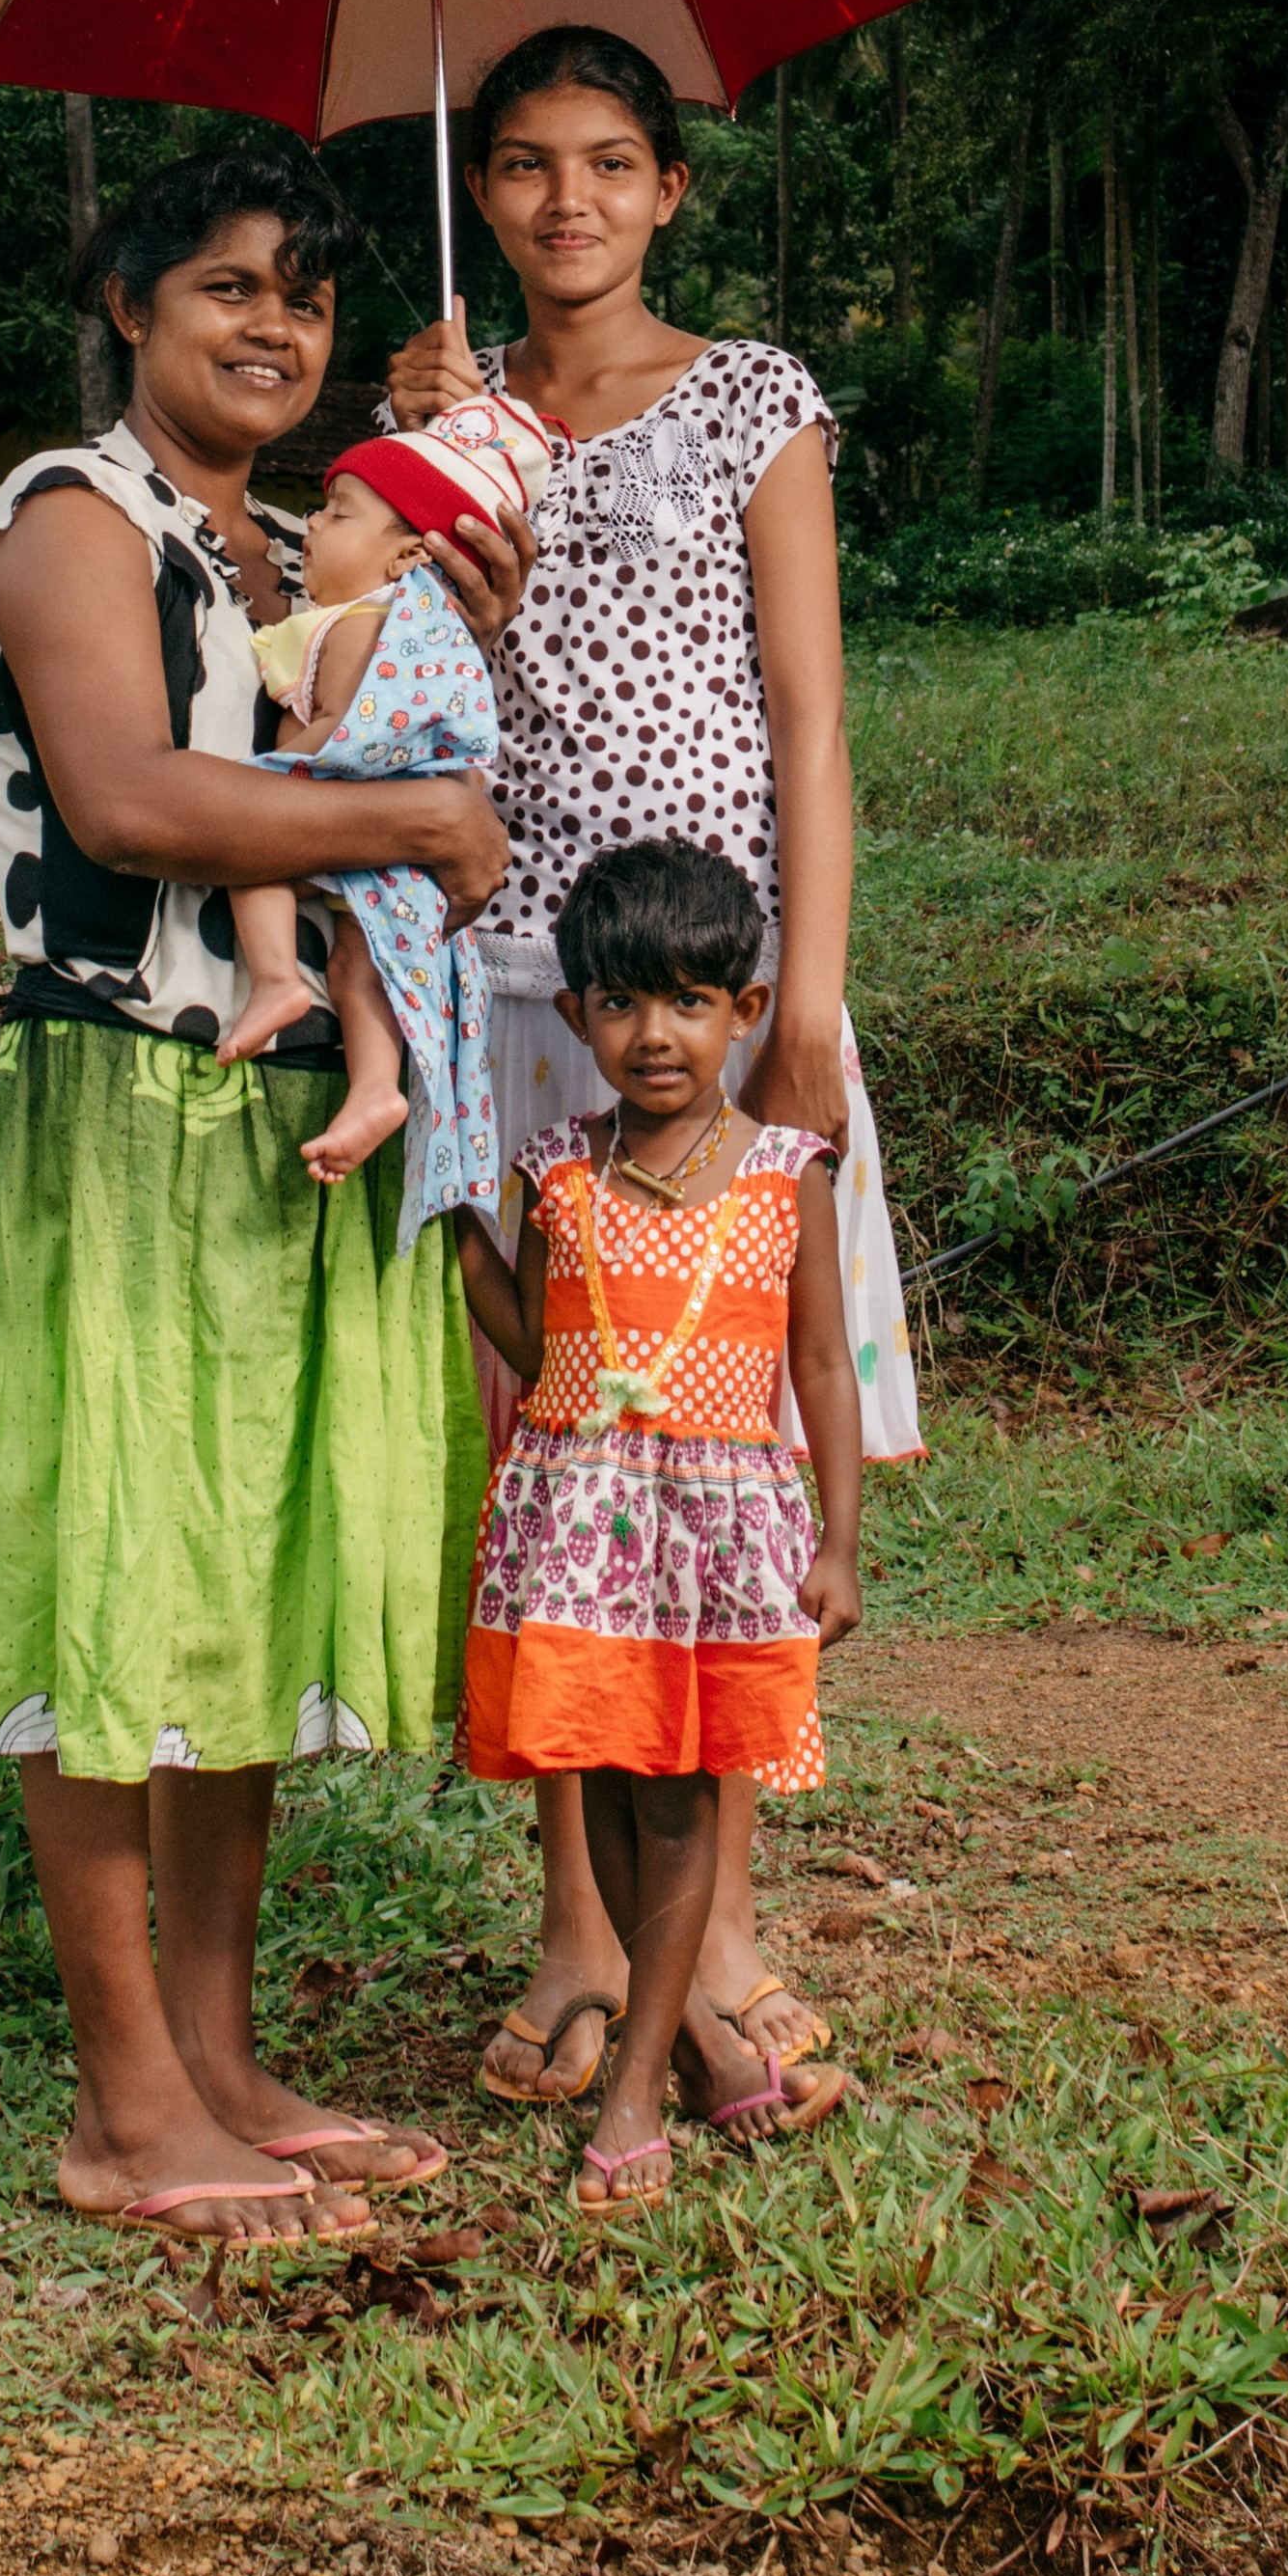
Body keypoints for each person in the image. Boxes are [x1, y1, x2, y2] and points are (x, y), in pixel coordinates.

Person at [0, 140, 531, 2251]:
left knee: (233, 1578)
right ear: (129, 306)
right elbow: (129, 795)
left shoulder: (285, 549)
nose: (269, 324)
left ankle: (217, 2055)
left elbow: (434, 772)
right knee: (118, 1562)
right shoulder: (67, 519)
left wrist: (453, 631)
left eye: (300, 294)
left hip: (286, 1105)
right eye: (223, 288)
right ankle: (121, 2107)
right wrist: (414, 803)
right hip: (127, 1089)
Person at [382, 22, 912, 2104]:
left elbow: (809, 714)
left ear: (671, 187)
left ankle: (725, 1927)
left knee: (722, 1447)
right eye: (522, 165)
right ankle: (581, 1928)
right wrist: (416, 465)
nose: (565, 201)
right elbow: (388, 680)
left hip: (722, 987)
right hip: (514, 984)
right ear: (487, 192)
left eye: (610, 162)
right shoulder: (448, 418)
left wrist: (804, 1006)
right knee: (558, 1453)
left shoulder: (757, 399)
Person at [455, 837, 866, 2212]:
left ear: (746, 1010)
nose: (656, 1035)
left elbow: (821, 1367)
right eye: (623, 1004)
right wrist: (453, 1223)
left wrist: (841, 1539)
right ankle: (694, 2042)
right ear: (573, 1017)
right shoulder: (555, 1169)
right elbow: (526, 1332)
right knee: (617, 1787)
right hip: (578, 1528)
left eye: (691, 1002)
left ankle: (633, 2087)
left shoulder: (783, 1169)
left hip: (715, 1533)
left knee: (685, 1801)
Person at [228, 390, 564, 1222]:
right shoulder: (403, 622)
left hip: (359, 825)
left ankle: (273, 978)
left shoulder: (364, 625)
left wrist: (271, 777)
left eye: (336, 514)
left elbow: (341, 735)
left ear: (408, 555)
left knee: (243, 849)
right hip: (396, 847)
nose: (310, 525)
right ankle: (377, 1087)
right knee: (359, 961)